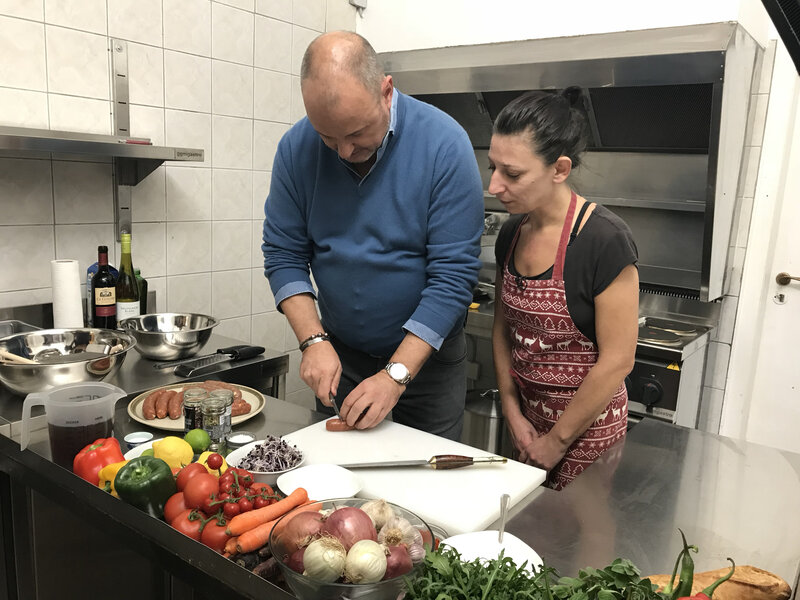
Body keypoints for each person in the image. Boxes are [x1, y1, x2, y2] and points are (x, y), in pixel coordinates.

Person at [262, 31, 484, 441]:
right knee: (343, 488)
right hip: (342, 359)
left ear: (386, 91)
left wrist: (396, 375)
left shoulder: (445, 145)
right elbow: (283, 255)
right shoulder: (297, 148)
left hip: (427, 369)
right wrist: (313, 341)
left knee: (425, 487)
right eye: (329, 137)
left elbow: (452, 279)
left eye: (358, 133)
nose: (344, 152)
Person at [490, 87, 639, 490]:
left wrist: (556, 442)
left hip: (588, 431)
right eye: (493, 168)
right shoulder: (511, 233)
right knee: (532, 530)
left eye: (512, 174)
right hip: (527, 421)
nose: (494, 186)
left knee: (586, 540)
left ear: (559, 169)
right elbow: (503, 328)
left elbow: (618, 361)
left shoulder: (603, 240)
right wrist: (511, 409)